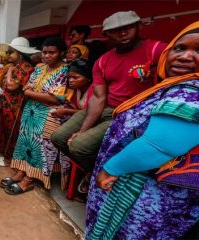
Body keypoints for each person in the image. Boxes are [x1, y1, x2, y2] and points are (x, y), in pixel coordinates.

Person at [85, 21, 199, 240]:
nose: (185, 57)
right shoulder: (175, 85)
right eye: (180, 48)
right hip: (138, 180)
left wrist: (111, 169)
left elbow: (160, 145)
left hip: (146, 191)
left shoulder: (190, 91)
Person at [51, 11, 167, 174]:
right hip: (106, 109)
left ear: (138, 26)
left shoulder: (157, 50)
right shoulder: (103, 61)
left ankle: (107, 176)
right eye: (115, 30)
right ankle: (97, 172)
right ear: (106, 34)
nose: (123, 33)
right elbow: (98, 97)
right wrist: (82, 130)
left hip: (133, 114)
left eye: (128, 27)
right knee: (59, 137)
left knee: (79, 147)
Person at [0, 37, 70, 194]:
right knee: (25, 141)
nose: (46, 56)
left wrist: (31, 92)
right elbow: (26, 88)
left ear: (62, 53)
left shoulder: (65, 71)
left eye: (51, 53)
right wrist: (35, 93)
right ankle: (21, 172)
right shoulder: (39, 68)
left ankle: (30, 179)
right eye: (44, 52)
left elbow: (54, 98)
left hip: (49, 114)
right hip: (31, 111)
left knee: (40, 146)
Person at [0, 37, 40, 166]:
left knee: (13, 132)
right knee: (5, 130)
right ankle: (6, 154)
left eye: (11, 52)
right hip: (7, 103)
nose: (8, 55)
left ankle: (11, 159)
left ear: (19, 54)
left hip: (16, 106)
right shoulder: (17, 66)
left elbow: (12, 86)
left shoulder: (26, 67)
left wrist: (9, 73)